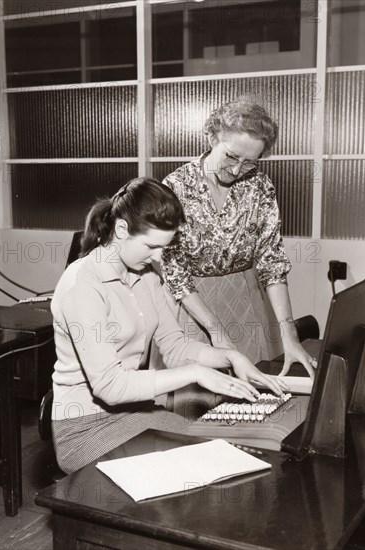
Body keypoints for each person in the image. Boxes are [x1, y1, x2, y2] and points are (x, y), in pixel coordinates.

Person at [51, 177, 285, 474]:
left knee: (225, 449)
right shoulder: (82, 285)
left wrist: (230, 357)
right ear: (121, 230)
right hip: (84, 428)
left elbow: (174, 346)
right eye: (151, 246)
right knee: (199, 467)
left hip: (133, 412)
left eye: (164, 247)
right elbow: (110, 386)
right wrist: (197, 373)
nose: (159, 257)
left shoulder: (146, 276)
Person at [160, 99, 317, 386]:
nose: (236, 170)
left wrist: (289, 335)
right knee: (198, 403)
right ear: (212, 138)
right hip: (192, 308)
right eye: (231, 157)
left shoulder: (260, 187)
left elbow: (272, 264)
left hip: (245, 303)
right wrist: (215, 331)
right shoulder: (175, 187)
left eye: (249, 162)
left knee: (252, 399)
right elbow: (175, 273)